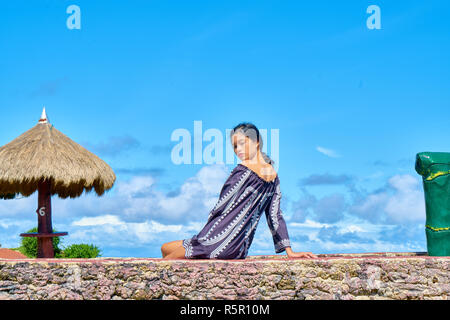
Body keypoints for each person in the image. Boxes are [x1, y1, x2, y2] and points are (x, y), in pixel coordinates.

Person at [161, 122, 318, 259]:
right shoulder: (274, 177)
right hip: (239, 249)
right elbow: (274, 216)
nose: (238, 149)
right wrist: (289, 251)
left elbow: (222, 206)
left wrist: (205, 238)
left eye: (242, 143)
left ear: (257, 142)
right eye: (235, 146)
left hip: (216, 241)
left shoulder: (243, 170)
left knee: (167, 263)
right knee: (165, 248)